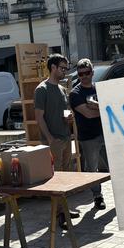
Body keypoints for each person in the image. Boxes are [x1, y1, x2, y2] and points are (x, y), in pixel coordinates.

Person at [34, 54, 79, 226]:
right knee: (56, 177)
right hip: (53, 141)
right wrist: (50, 138)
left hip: (65, 137)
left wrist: (68, 118)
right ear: (53, 67)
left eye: (66, 68)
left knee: (66, 175)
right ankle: (59, 214)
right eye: (62, 68)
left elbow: (62, 112)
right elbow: (39, 117)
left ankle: (64, 210)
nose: (65, 71)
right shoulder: (42, 89)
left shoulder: (61, 89)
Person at [69, 59, 106, 210]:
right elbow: (88, 114)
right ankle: (98, 197)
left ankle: (120, 196)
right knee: (93, 170)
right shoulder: (75, 93)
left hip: (105, 133)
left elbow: (106, 108)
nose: (84, 76)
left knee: (114, 167)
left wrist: (97, 107)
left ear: (92, 72)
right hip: (88, 137)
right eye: (80, 73)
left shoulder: (99, 89)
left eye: (87, 73)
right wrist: (103, 109)